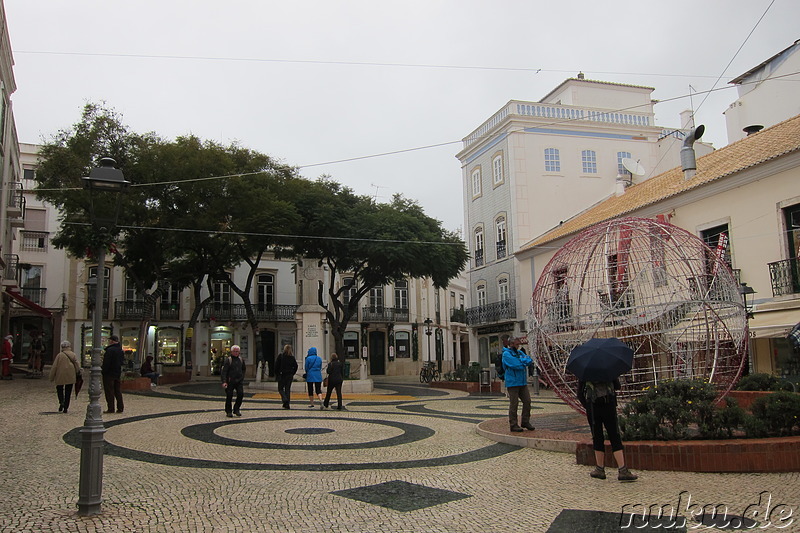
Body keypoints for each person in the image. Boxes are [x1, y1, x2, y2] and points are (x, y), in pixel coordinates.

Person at [577, 378, 638, 482]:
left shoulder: (585, 371)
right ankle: (622, 469)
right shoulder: (609, 369)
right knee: (614, 435)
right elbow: (617, 386)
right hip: (608, 405)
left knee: (597, 436)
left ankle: (599, 469)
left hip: (592, 406)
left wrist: (587, 405)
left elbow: (579, 393)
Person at [502, 337, 535, 432]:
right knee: (514, 404)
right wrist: (523, 362)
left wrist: (523, 361)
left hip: (522, 382)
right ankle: (513, 424)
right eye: (517, 344)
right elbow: (515, 365)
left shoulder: (520, 352)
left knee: (527, 401)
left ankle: (525, 421)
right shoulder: (506, 354)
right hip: (512, 383)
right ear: (511, 344)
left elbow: (529, 360)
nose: (518, 346)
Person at [49, 341, 81, 414]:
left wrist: (51, 377)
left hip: (60, 375)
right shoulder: (73, 354)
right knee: (68, 391)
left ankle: (61, 402)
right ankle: (66, 407)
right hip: (70, 375)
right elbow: (77, 365)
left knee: (59, 389)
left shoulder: (59, 355)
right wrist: (78, 372)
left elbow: (54, 367)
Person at [101, 335, 125, 414]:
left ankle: (111, 408)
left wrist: (104, 371)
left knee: (109, 391)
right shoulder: (120, 350)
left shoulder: (110, 350)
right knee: (117, 390)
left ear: (111, 341)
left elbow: (106, 363)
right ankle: (120, 407)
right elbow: (122, 362)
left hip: (109, 373)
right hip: (117, 372)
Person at [221, 345, 246, 417]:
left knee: (240, 394)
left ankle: (236, 409)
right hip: (230, 381)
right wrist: (224, 381)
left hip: (239, 381)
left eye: (237, 351)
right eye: (235, 351)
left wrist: (242, 377)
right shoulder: (228, 360)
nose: (236, 353)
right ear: (231, 352)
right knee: (229, 396)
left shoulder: (241, 360)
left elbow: (243, 369)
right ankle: (228, 411)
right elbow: (224, 371)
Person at [274, 344, 298, 409]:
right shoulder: (292, 357)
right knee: (287, 389)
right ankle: (287, 404)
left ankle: (285, 400)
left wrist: (277, 373)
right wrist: (292, 373)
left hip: (282, 375)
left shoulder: (281, 356)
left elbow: (276, 366)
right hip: (289, 375)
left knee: (280, 389)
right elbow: (295, 366)